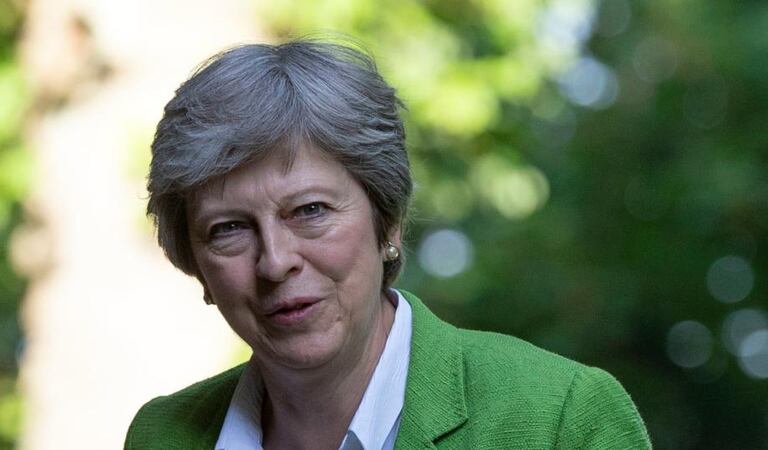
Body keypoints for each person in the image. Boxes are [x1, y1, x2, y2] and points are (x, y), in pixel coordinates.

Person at [125, 39, 651, 450]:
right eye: (228, 230)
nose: (276, 262)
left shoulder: (559, 417)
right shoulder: (162, 435)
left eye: (310, 211)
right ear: (195, 265)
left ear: (389, 223)